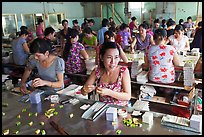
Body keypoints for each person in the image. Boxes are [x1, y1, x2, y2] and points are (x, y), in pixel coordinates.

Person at [81, 41, 131, 106]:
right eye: (109, 57)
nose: (113, 62)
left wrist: (109, 92)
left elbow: (127, 96)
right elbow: (83, 92)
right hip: (102, 108)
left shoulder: (123, 71)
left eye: (116, 57)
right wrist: (85, 90)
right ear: (102, 57)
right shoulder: (97, 71)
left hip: (120, 110)